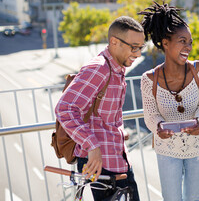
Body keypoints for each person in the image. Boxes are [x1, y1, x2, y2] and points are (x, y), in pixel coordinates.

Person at [55, 16, 145, 200]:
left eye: (141, 47)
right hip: (104, 167)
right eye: (133, 47)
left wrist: (117, 133)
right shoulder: (99, 68)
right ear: (114, 42)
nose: (137, 54)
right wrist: (92, 145)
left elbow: (102, 116)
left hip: (117, 162)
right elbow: (64, 108)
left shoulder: (117, 69)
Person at [139, 2, 199, 201]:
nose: (188, 47)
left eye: (190, 42)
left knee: (193, 199)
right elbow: (150, 115)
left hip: (198, 146)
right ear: (165, 42)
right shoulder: (149, 79)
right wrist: (158, 128)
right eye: (182, 41)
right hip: (167, 149)